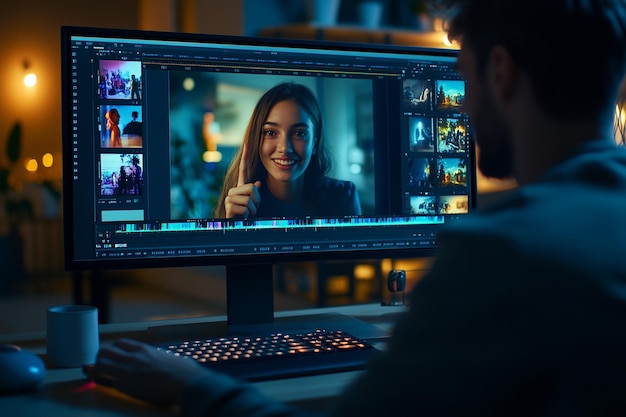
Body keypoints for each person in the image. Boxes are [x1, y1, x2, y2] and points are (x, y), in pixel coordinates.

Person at [84, 1, 626, 415]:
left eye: (461, 74)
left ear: (500, 72)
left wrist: (187, 383)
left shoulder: (501, 253)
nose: (459, 104)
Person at [214, 82, 361, 218]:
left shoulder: (343, 196)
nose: (284, 148)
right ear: (256, 139)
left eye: (299, 133)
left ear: (314, 143)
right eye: (271, 133)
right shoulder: (239, 201)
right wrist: (234, 226)